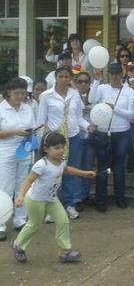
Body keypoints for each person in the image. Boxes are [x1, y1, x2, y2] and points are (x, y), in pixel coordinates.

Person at [12, 132, 96, 263]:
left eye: (63, 147)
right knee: (34, 224)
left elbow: (67, 170)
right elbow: (28, 181)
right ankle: (18, 246)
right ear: (45, 149)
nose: (61, 150)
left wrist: (84, 173)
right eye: (56, 148)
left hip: (51, 199)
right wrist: (20, 196)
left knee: (63, 221)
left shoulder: (61, 162)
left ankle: (65, 252)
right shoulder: (41, 165)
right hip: (36, 199)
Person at [37, 65, 96, 219]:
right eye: (61, 77)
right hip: (54, 140)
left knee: (70, 171)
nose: (64, 80)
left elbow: (78, 117)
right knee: (53, 172)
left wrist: (87, 126)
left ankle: (69, 204)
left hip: (73, 137)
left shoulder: (74, 95)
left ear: (71, 79)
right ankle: (51, 207)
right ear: (55, 78)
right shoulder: (46, 96)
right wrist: (44, 141)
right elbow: (40, 121)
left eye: (67, 77)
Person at [89, 63, 134, 212]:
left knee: (118, 166)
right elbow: (91, 99)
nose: (115, 76)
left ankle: (119, 198)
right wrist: (96, 80)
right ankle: (101, 201)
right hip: (102, 132)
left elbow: (131, 115)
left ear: (122, 75)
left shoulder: (129, 91)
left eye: (117, 73)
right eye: (112, 73)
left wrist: (114, 108)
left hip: (122, 132)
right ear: (108, 75)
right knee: (103, 167)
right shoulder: (102, 88)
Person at [0, 78, 35, 241]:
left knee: (21, 185)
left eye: (23, 93)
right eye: (17, 93)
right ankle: (1, 223)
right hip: (6, 151)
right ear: (9, 92)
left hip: (24, 150)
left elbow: (32, 127)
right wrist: (15, 132)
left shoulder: (27, 108)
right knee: (5, 187)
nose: (20, 96)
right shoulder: (1, 109)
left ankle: (20, 219)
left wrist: (29, 133)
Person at [73, 71, 95, 210]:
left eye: (86, 81)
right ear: (76, 83)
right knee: (76, 168)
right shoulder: (72, 96)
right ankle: (76, 198)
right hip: (77, 136)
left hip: (91, 137)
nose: (83, 84)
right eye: (80, 81)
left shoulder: (95, 95)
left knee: (88, 167)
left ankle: (85, 195)